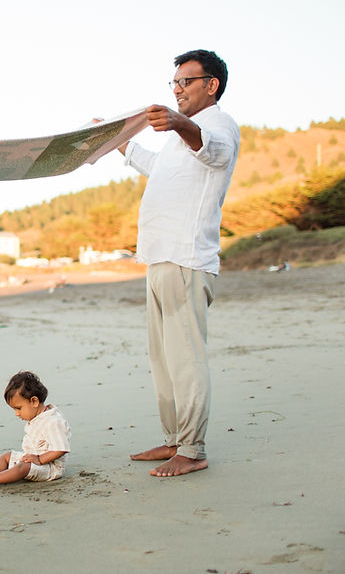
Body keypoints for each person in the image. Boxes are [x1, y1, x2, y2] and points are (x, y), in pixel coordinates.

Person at [116, 49, 240, 477]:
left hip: (187, 260)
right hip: (159, 258)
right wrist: (118, 142)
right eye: (174, 83)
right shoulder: (177, 137)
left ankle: (193, 447)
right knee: (163, 358)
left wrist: (182, 122)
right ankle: (174, 440)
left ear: (211, 85)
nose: (178, 89)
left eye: (185, 82)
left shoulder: (220, 125)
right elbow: (158, 167)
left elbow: (213, 151)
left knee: (186, 358)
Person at [0, 371, 71, 490]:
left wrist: (39, 459)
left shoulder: (52, 421)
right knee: (7, 456)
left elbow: (60, 449)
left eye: (19, 408)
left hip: (50, 467)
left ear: (34, 401)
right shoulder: (37, 417)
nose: (16, 413)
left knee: (22, 468)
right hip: (32, 460)